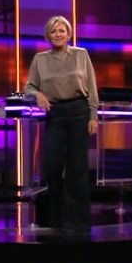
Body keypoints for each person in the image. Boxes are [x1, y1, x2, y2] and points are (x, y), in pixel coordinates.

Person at [24, 15, 99, 235]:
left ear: (68, 34)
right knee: (53, 166)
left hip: (78, 112)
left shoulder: (81, 55)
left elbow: (92, 88)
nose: (58, 34)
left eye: (62, 31)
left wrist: (93, 116)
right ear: (48, 35)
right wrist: (38, 94)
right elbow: (29, 86)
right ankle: (55, 219)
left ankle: (78, 222)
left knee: (77, 168)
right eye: (54, 31)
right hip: (54, 113)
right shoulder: (40, 59)